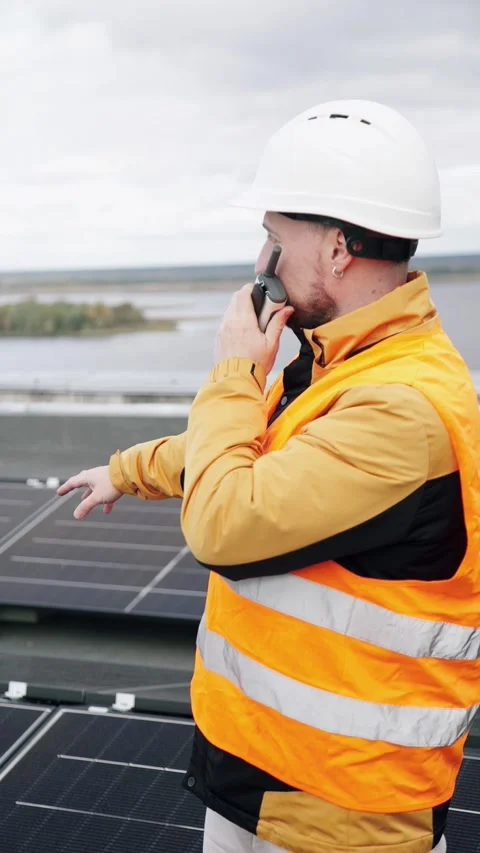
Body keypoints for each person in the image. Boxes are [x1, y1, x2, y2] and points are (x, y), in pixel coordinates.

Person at [58, 99, 480, 853]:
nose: (262, 266)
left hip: (340, 815)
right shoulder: (343, 365)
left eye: (274, 239)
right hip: (267, 778)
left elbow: (228, 522)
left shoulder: (402, 410)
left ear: (340, 249)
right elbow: (258, 450)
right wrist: (127, 470)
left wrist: (232, 368)